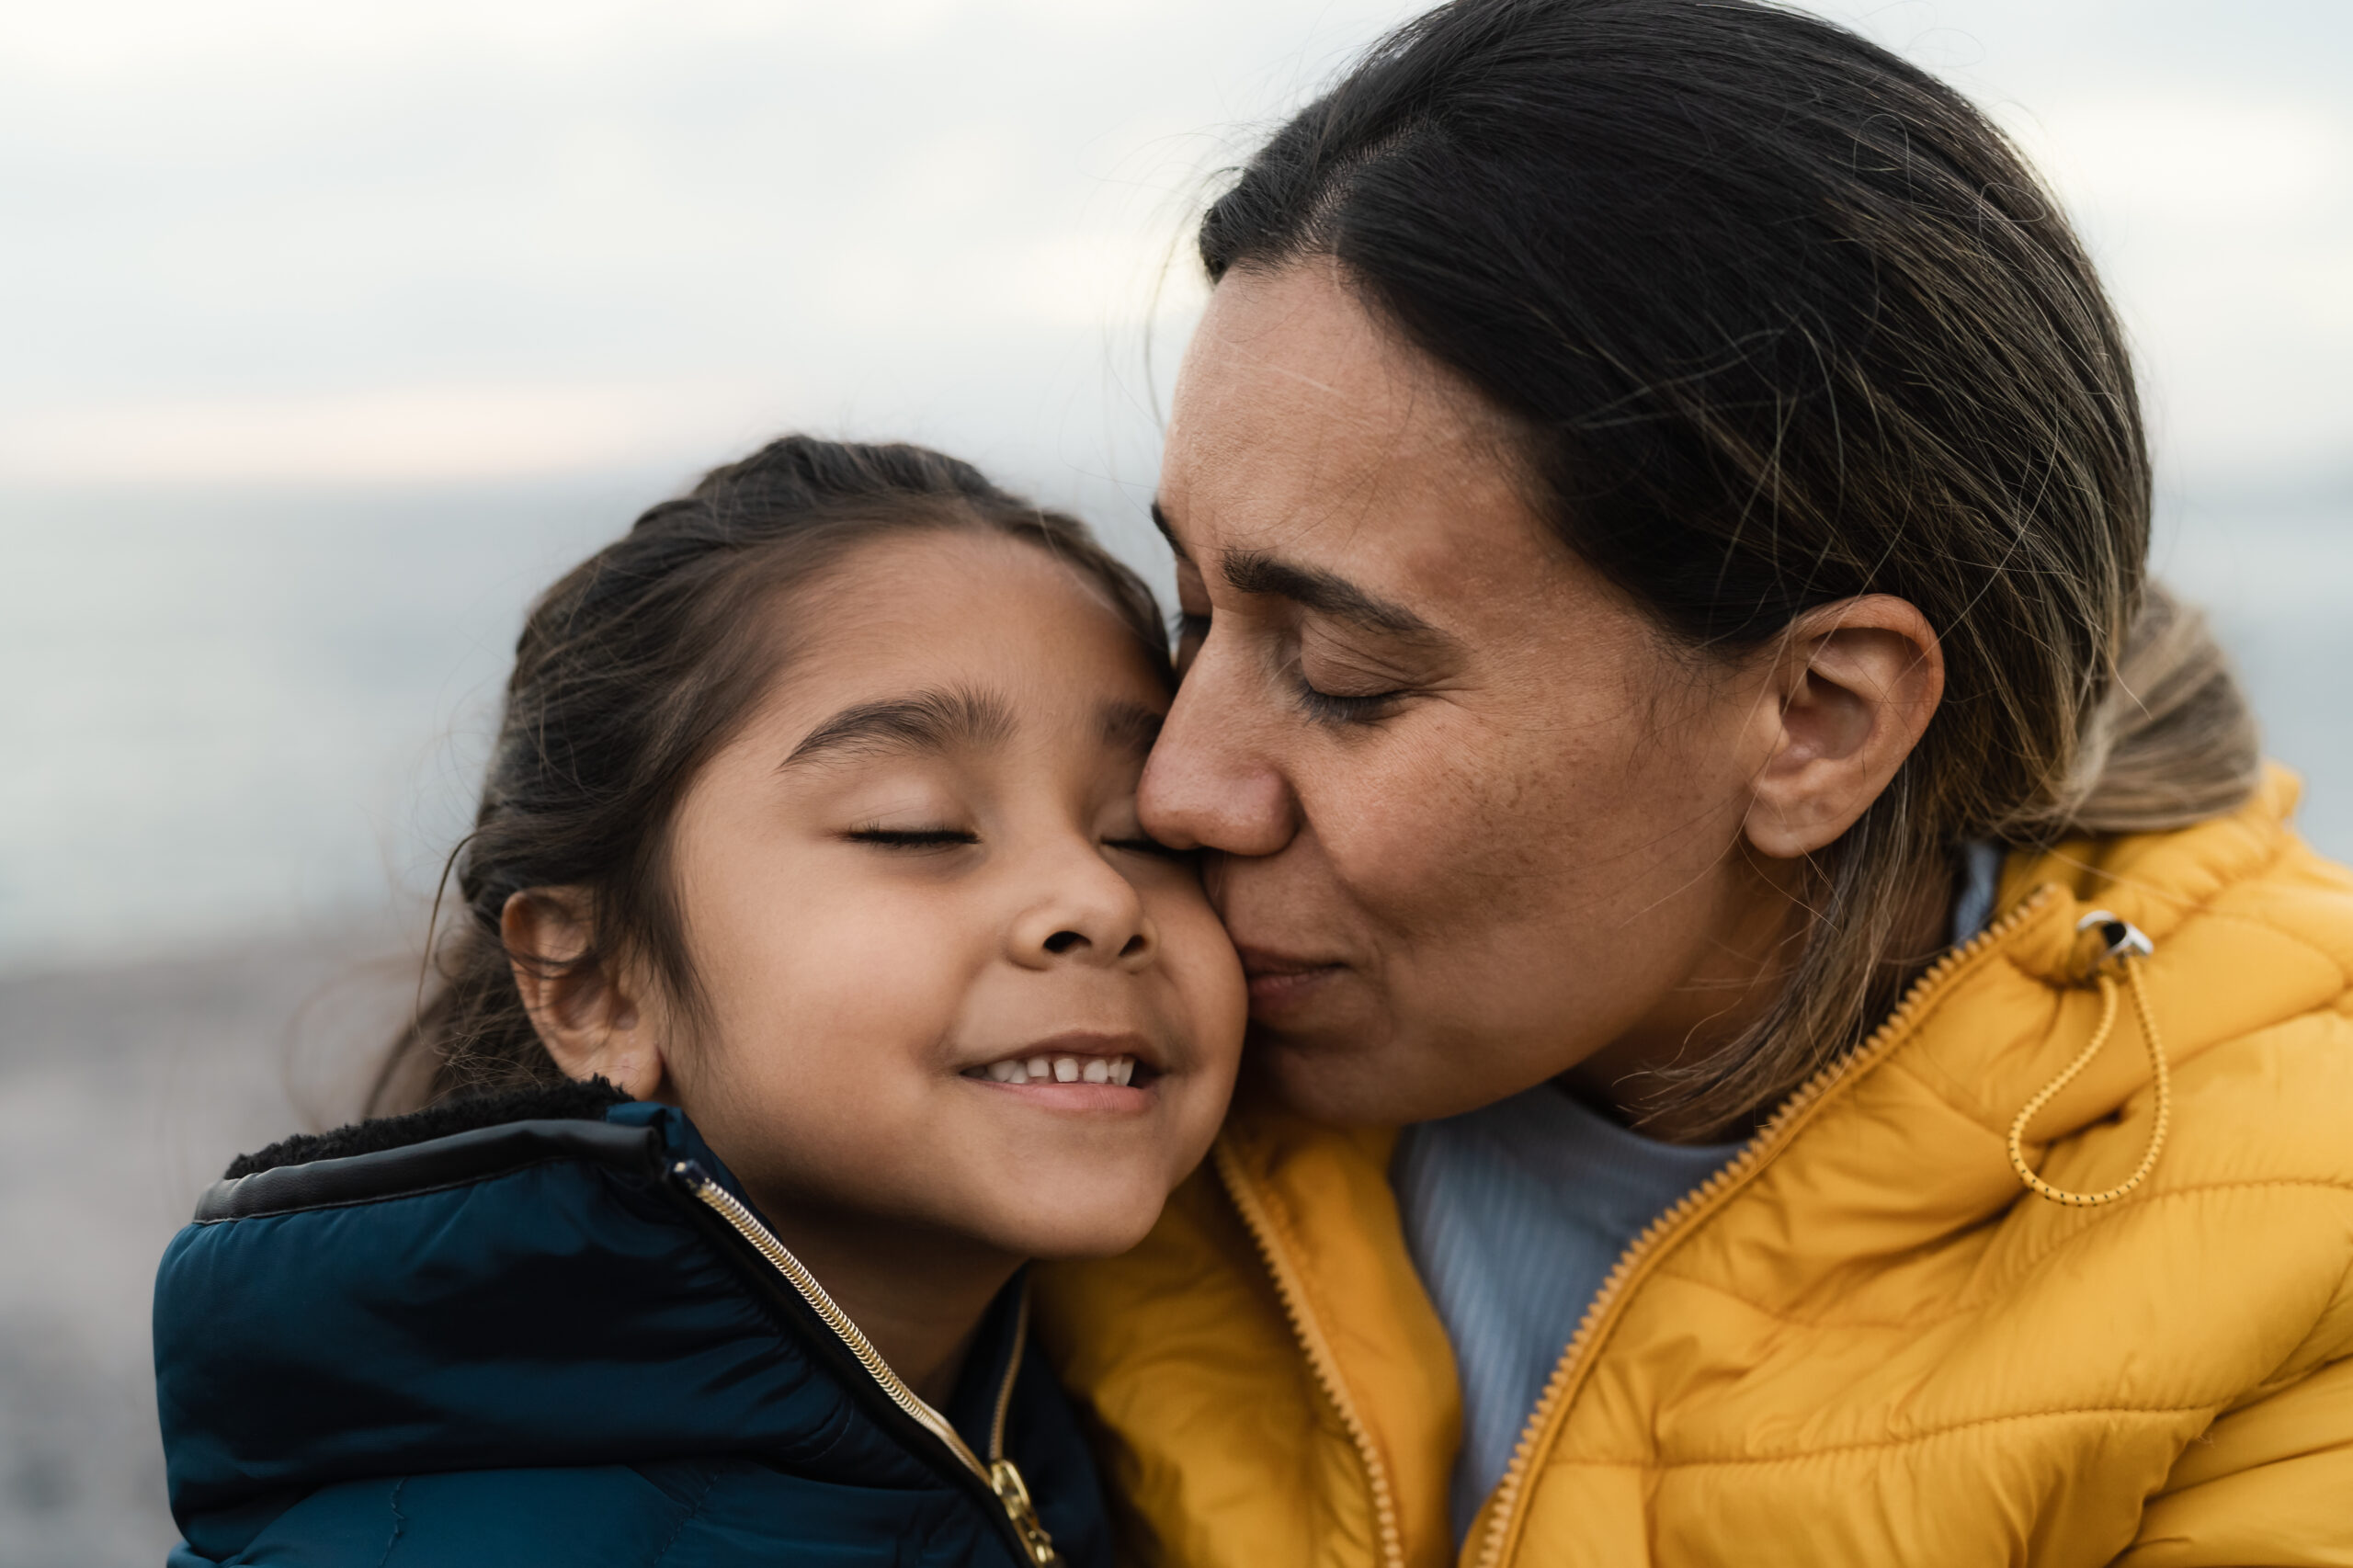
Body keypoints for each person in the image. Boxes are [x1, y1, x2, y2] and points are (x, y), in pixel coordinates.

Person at [1034, 2, 2353, 1563]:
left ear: (1819, 720)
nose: (1180, 791)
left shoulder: (2299, 1257)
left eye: (1346, 674)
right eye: (1193, 615)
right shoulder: (1078, 1067)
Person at [151, 437, 1246, 1567]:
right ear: (597, 984)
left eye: (1140, 831)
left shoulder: (1094, 1439)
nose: (1097, 894)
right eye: (916, 826)